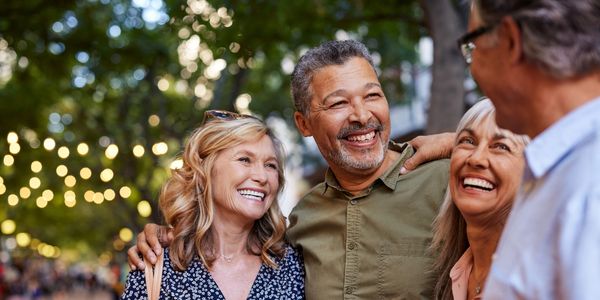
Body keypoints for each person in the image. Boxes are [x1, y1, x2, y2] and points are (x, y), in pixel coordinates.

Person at [127, 40, 452, 299]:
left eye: (372, 96)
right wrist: (166, 233)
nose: (361, 115)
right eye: (339, 103)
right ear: (304, 123)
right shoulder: (301, 226)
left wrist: (463, 141)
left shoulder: (446, 181)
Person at [458, 1, 600, 298]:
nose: (473, 69)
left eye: (473, 47)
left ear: (511, 41)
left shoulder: (588, 186)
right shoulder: (560, 166)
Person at [121, 111, 304, 299]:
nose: (262, 177)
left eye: (270, 165)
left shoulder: (294, 265)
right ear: (205, 171)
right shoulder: (155, 267)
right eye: (244, 160)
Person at [431, 99, 529, 299]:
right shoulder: (459, 270)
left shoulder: (542, 277)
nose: (476, 158)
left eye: (501, 146)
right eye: (468, 141)